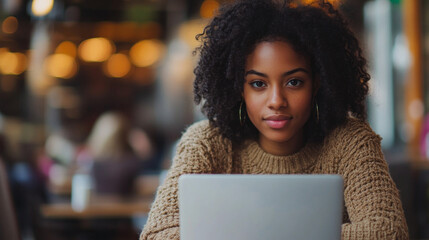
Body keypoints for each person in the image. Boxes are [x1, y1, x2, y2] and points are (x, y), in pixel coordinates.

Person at [140, 0, 408, 239]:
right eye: (258, 84)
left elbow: (387, 231)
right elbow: (158, 234)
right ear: (239, 89)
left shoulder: (350, 142)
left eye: (294, 82)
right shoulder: (207, 143)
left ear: (316, 84)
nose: (277, 100)